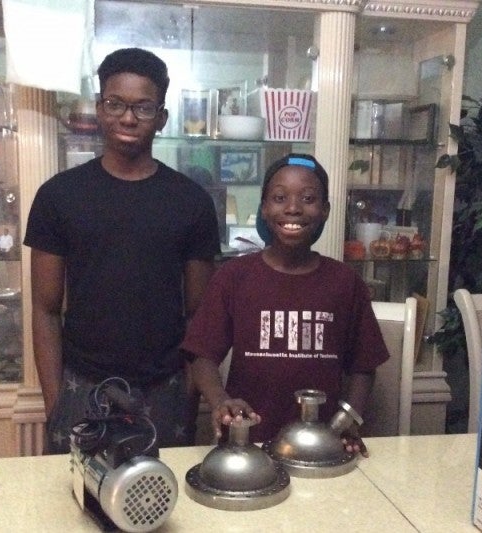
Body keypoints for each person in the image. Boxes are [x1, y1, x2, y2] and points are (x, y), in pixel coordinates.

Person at [23, 47, 221, 454]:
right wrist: (56, 401)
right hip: (82, 386)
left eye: (143, 107)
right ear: (99, 109)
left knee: (162, 509)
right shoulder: (58, 196)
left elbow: (199, 314)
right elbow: (45, 308)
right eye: (116, 104)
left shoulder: (191, 201)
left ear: (162, 117)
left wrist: (188, 397)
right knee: (75, 508)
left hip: (164, 388)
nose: (128, 118)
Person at [181, 154, 389, 456]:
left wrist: (348, 419)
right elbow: (201, 355)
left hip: (321, 445)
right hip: (248, 442)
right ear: (264, 208)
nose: (293, 208)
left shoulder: (345, 281)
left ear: (325, 210)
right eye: (279, 198)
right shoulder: (234, 277)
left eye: (308, 198)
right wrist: (220, 400)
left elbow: (364, 365)